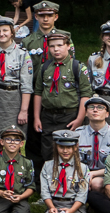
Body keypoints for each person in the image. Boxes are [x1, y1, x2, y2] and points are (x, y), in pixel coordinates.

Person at [31, 29, 89, 165]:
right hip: (48, 117)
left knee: (69, 152)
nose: (55, 49)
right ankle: (50, 182)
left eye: (60, 45)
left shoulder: (77, 67)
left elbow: (86, 94)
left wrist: (79, 119)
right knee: (48, 152)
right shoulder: (45, 67)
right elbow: (38, 92)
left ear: (68, 46)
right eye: (52, 46)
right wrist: (37, 117)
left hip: (69, 116)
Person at [37, 129, 88, 213]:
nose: (65, 151)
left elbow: (82, 194)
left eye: (69, 147)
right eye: (61, 147)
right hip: (54, 205)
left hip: (73, 206)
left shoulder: (83, 168)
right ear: (56, 146)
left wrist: (71, 211)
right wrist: (51, 208)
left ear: (75, 147)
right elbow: (45, 191)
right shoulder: (48, 166)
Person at [74, 95, 110, 189]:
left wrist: (92, 174)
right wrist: (84, 174)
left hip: (107, 173)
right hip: (81, 172)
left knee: (97, 184)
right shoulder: (78, 134)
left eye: (100, 107)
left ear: (107, 114)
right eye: (91, 107)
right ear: (86, 113)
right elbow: (74, 160)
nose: (95, 110)